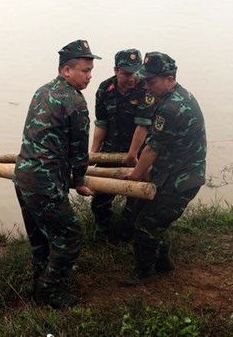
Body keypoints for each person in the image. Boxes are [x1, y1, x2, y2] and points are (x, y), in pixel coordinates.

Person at [13, 39, 100, 308]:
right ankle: (49, 292)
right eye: (84, 70)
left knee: (40, 237)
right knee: (70, 237)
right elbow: (78, 152)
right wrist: (81, 182)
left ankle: (38, 283)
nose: (89, 76)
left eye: (90, 70)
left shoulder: (42, 91)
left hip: (23, 176)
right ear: (66, 70)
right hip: (45, 182)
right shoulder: (75, 101)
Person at [120, 52, 207, 286]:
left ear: (170, 79)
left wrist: (135, 175)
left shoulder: (171, 108)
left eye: (152, 81)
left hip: (181, 181)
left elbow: (151, 149)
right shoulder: (176, 95)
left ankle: (145, 272)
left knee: (144, 225)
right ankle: (162, 261)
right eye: (145, 80)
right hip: (173, 173)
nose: (147, 86)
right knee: (142, 214)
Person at [90, 49, 155, 243]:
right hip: (110, 151)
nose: (132, 78)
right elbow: (101, 124)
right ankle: (103, 231)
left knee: (135, 200)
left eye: (135, 72)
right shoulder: (104, 89)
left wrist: (132, 155)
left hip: (138, 154)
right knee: (100, 198)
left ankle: (127, 236)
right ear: (116, 70)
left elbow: (143, 125)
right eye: (127, 73)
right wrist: (93, 155)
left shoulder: (146, 89)